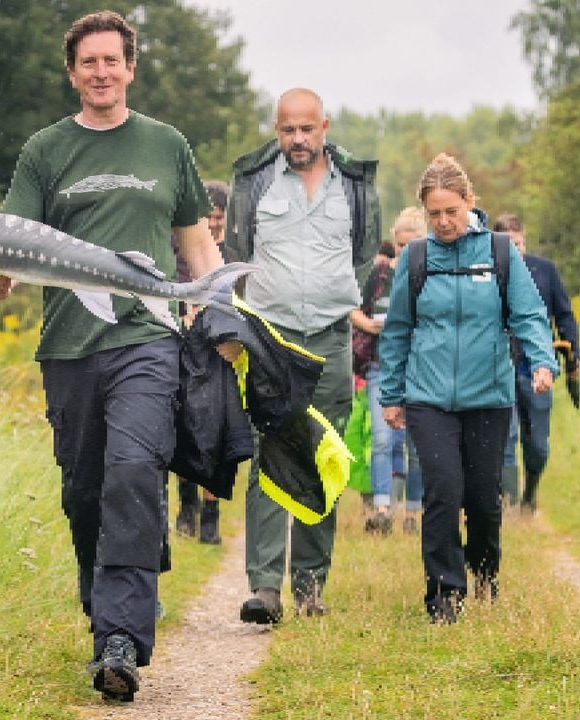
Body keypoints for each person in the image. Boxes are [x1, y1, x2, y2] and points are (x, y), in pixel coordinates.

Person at [0, 10, 225, 702]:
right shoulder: (45, 151)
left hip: (146, 338)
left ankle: (119, 640)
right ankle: (120, 586)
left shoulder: (166, 145)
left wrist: (213, 305)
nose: (102, 72)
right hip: (69, 347)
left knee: (134, 468)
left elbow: (197, 244)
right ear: (73, 72)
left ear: (130, 68)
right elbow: (12, 244)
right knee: (86, 492)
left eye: (113, 61)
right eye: (89, 63)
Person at [378, 153, 557, 624]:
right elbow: (397, 329)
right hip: (428, 398)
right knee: (442, 490)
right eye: (433, 214)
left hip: (488, 397)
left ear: (469, 203)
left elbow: (529, 314)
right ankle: (443, 597)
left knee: (481, 497)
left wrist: (542, 361)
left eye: (450, 211)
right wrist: (392, 395)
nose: (442, 222)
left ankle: (484, 572)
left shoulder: (499, 253)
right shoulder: (416, 258)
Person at [225, 88, 379, 623]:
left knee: (325, 455)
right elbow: (236, 255)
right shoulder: (255, 181)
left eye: (307, 129)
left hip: (331, 339)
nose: (298, 139)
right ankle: (264, 588)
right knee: (270, 451)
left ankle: (311, 587)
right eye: (288, 129)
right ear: (277, 129)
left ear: (324, 127)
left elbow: (364, 255)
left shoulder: (355, 187)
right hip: (272, 337)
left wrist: (340, 298)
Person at [492, 214, 580, 511]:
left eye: (517, 244)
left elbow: (564, 314)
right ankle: (508, 504)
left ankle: (530, 493)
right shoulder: (487, 273)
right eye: (507, 246)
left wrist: (573, 355)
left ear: (524, 239)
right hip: (499, 366)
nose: (514, 251)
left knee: (538, 444)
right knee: (505, 437)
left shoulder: (545, 271)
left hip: (536, 366)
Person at [353, 207, 428, 535]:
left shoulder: (432, 276)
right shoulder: (379, 275)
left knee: (417, 444)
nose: (403, 253)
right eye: (399, 246)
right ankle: (382, 508)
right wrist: (369, 325)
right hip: (381, 366)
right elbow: (350, 307)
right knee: (383, 439)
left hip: (422, 369)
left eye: (411, 246)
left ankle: (414, 511)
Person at [174, 180, 232, 544]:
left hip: (219, 352)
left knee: (218, 432)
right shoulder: (178, 251)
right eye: (206, 217)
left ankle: (211, 515)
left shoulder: (231, 251)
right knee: (184, 427)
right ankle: (187, 506)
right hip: (182, 344)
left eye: (218, 218)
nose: (211, 225)